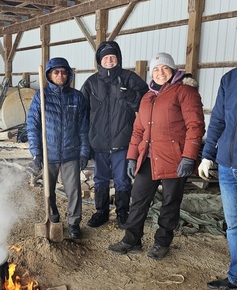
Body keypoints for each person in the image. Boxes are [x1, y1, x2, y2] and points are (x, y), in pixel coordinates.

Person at [108, 52, 205, 259]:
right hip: (149, 158)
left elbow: (195, 126)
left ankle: (162, 242)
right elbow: (138, 130)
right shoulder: (148, 96)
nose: (160, 73)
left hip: (174, 159)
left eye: (164, 68)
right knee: (138, 199)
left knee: (170, 202)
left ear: (172, 70)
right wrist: (132, 157)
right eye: (156, 69)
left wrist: (189, 156)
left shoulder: (185, 92)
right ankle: (131, 239)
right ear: (151, 73)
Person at [80, 41, 148, 229]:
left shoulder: (130, 78)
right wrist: (84, 143)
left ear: (118, 58)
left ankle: (122, 214)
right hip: (98, 143)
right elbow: (82, 113)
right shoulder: (91, 83)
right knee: (100, 178)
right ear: (99, 61)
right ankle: (101, 212)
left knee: (122, 179)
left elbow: (146, 104)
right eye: (106, 58)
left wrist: (129, 96)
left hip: (122, 142)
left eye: (113, 57)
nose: (109, 60)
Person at [27, 57, 90, 240]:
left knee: (74, 191)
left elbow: (84, 127)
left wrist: (84, 151)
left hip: (71, 152)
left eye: (63, 72)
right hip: (49, 153)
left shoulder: (77, 97)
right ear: (49, 75)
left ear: (68, 74)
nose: (60, 75)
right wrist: (36, 152)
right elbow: (32, 125)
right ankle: (53, 219)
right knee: (49, 190)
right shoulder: (41, 96)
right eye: (56, 72)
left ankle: (74, 223)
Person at [198, 68, 237, 290]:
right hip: (227, 166)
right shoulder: (230, 79)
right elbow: (218, 120)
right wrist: (207, 155)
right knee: (233, 227)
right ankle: (235, 277)